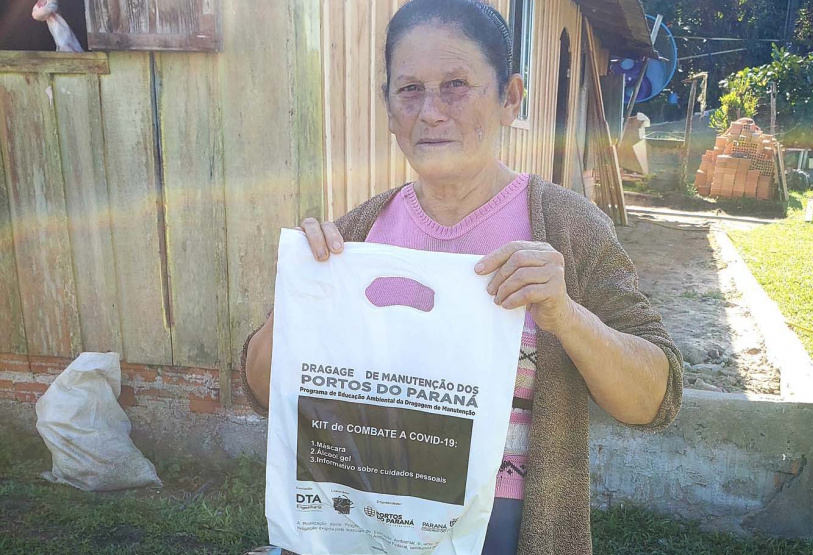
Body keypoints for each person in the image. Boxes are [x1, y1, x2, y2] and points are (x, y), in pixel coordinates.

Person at [241, 1, 683, 554]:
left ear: (510, 98)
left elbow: (655, 401)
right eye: (409, 89)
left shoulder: (568, 229)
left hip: (507, 531)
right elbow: (262, 390)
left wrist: (566, 316)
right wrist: (300, 301)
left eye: (455, 85)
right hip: (360, 521)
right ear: (387, 106)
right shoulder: (356, 237)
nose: (430, 111)